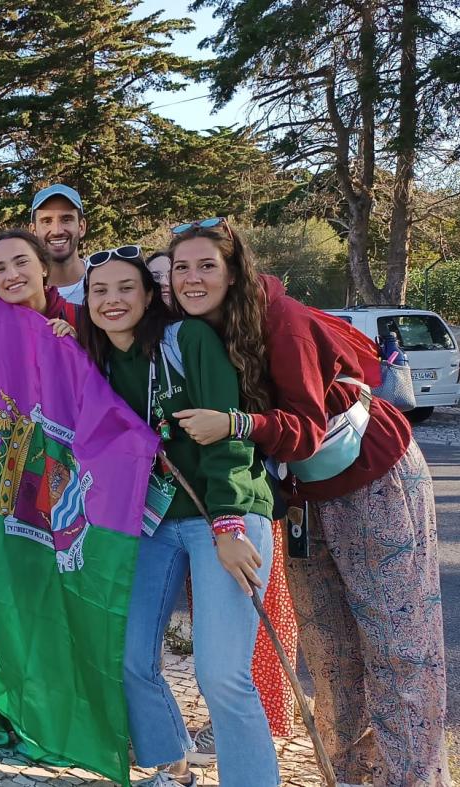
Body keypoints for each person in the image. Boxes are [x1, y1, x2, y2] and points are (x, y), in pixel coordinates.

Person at [168, 218, 447, 787]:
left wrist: (235, 423)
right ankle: (346, 774)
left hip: (372, 476)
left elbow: (305, 432)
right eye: (181, 268)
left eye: (206, 266)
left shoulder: (282, 322)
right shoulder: (202, 329)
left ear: (233, 270)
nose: (192, 278)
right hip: (303, 495)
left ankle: (414, 777)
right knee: (330, 650)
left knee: (398, 643)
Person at [79, 248, 279, 787]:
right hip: (155, 521)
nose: (112, 300)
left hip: (224, 514)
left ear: (150, 296)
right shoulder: (100, 363)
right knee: (129, 658)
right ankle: (173, 766)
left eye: (126, 288)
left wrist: (229, 524)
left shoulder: (186, 340)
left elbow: (227, 433)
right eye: (100, 291)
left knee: (222, 675)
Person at [0, 228, 79, 332]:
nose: (12, 276)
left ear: (44, 267)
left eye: (21, 262)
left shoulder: (81, 318)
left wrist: (75, 341)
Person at [29, 184, 88, 305]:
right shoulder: (25, 293)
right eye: (47, 221)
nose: (57, 231)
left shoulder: (106, 283)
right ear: (33, 231)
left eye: (66, 219)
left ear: (81, 227)